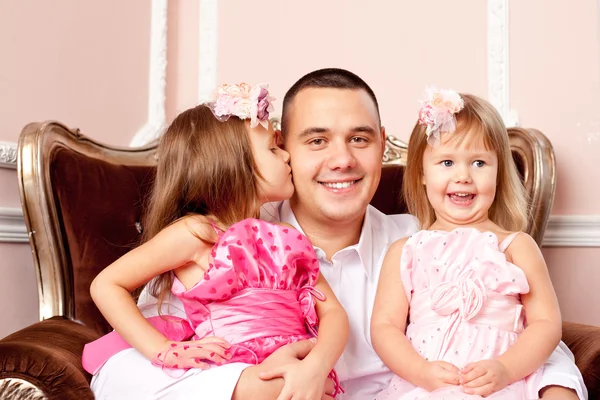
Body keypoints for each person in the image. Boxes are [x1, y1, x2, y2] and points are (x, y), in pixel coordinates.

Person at [91, 68, 587, 400]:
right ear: (282, 151)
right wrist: (247, 384)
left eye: (360, 139)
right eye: (316, 140)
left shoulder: (422, 244)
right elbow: (119, 373)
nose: (343, 160)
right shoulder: (225, 251)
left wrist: (555, 389)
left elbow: (521, 328)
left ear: (386, 151)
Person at [82, 82, 349, 400]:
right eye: (273, 149)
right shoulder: (197, 232)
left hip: (297, 367)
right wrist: (164, 351)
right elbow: (106, 285)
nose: (287, 155)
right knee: (274, 388)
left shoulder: (284, 238)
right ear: (233, 164)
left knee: (319, 388)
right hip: (236, 372)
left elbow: (333, 312)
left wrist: (317, 367)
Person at [371, 88, 585, 399]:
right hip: (432, 381)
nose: (463, 176)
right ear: (421, 174)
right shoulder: (406, 251)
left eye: (479, 163)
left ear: (499, 172)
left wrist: (507, 369)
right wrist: (420, 371)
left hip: (503, 377)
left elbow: (546, 323)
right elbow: (384, 328)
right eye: (446, 162)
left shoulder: (515, 246)